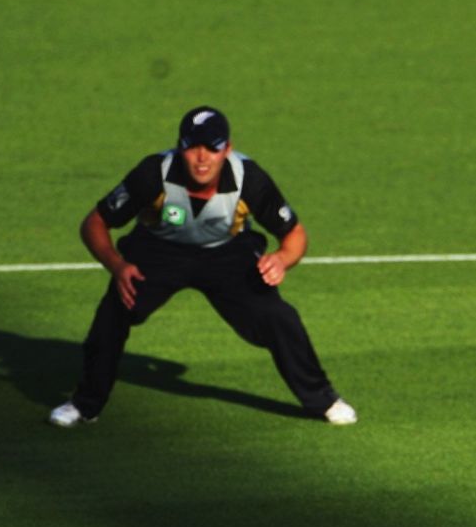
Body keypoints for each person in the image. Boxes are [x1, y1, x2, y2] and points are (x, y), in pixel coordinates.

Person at [52, 106, 355, 428]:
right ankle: (85, 404)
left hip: (228, 255)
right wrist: (117, 266)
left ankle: (322, 400)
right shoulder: (153, 173)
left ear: (227, 149)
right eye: (193, 146)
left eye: (212, 147)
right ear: (180, 146)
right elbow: (95, 223)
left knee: (279, 317)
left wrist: (281, 259)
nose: (202, 158)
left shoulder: (249, 179)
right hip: (159, 251)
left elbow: (294, 234)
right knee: (114, 311)